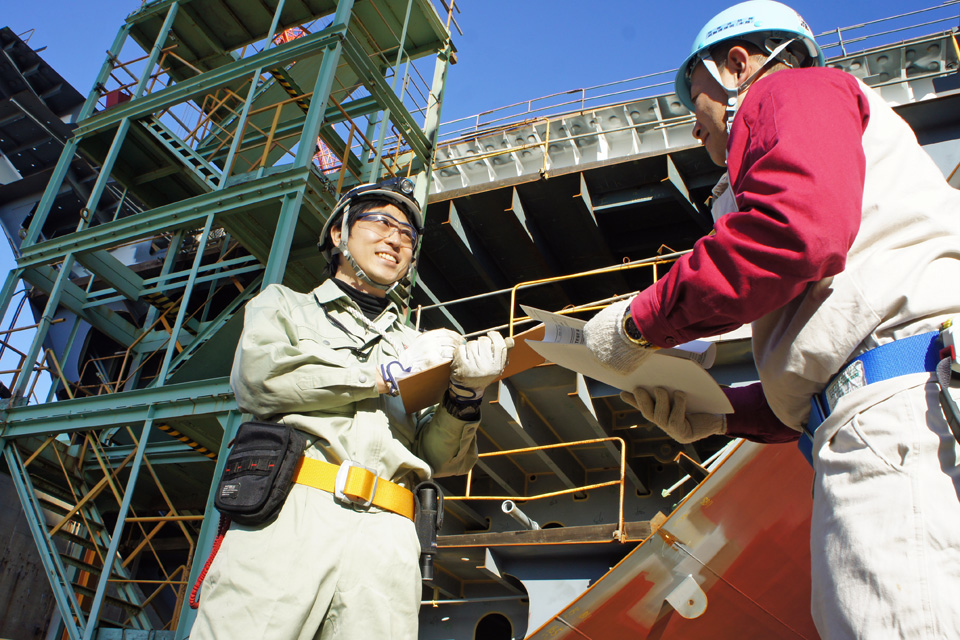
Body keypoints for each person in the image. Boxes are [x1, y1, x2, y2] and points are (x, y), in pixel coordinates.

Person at [583, 1, 960, 637]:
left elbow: (794, 233)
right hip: (910, 400)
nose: (695, 130)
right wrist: (723, 413)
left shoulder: (786, 89)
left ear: (735, 66)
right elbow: (842, 353)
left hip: (897, 424)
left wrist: (636, 324)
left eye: (694, 100)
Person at [191, 176, 512, 639]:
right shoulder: (284, 306)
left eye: (407, 234)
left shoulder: (415, 343)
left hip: (388, 540)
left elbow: (440, 459)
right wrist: (383, 375)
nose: (395, 238)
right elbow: (258, 380)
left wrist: (465, 396)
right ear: (339, 234)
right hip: (292, 519)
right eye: (380, 222)